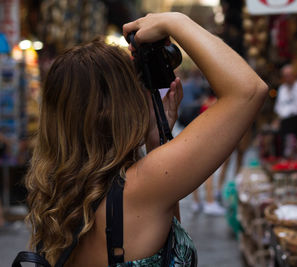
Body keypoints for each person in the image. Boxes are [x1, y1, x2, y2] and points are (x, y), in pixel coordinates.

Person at [24, 12, 268, 266]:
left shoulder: (60, 188)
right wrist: (174, 20)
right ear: (119, 107)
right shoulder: (141, 186)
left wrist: (156, 143)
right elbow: (248, 91)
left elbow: (165, 239)